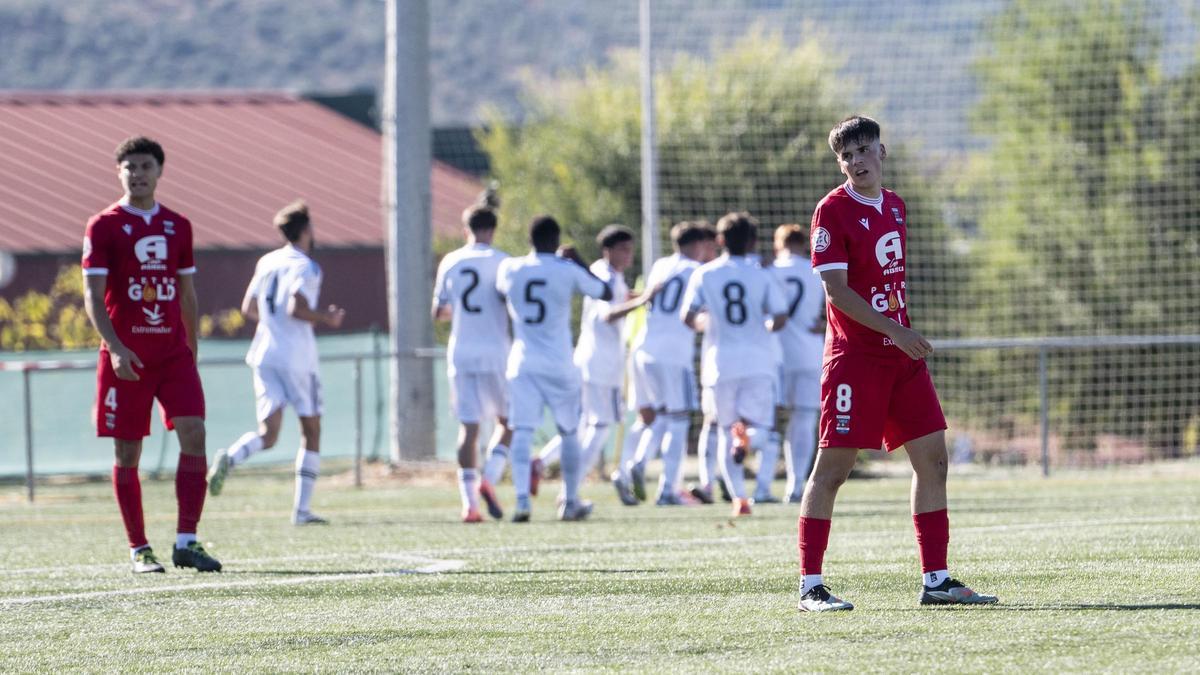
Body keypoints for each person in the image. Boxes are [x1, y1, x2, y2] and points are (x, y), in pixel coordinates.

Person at [797, 115, 998, 611]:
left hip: (900, 358)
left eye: (863, 150)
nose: (856, 161)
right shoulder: (832, 210)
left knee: (933, 460)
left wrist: (899, 333)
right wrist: (896, 331)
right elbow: (837, 291)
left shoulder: (896, 206)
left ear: (881, 152)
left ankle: (937, 579)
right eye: (846, 155)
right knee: (834, 470)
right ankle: (810, 586)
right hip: (855, 359)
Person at [82, 136, 221, 573]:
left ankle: (187, 540)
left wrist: (191, 347)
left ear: (160, 171)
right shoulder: (103, 225)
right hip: (127, 358)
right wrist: (115, 348)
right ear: (118, 173)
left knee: (195, 432)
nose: (138, 173)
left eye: (145, 166)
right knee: (128, 453)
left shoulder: (178, 225)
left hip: (173, 356)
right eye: (130, 167)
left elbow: (187, 292)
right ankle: (139, 548)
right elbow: (92, 295)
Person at [206, 201, 344, 525]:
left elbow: (248, 306)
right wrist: (327, 317)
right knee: (311, 429)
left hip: (265, 353)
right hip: (297, 357)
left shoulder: (267, 261)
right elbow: (297, 307)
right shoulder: (307, 266)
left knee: (268, 434)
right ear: (306, 230)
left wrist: (272, 323)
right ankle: (302, 511)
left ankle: (231, 456)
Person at [496, 215, 612, 521]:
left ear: (530, 239)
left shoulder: (510, 268)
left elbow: (499, 291)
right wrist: (579, 261)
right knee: (570, 431)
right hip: (560, 362)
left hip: (522, 362)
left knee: (522, 430)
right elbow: (606, 292)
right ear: (555, 238)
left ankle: (522, 500)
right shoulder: (566, 269)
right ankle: (570, 501)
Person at [682, 212, 788, 518]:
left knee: (725, 431)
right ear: (753, 242)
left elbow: (687, 317)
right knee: (763, 432)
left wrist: (707, 323)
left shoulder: (705, 273)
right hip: (758, 361)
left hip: (720, 364)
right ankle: (749, 442)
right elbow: (780, 317)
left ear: (719, 240)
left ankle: (739, 499)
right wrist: (763, 327)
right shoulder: (761, 274)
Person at [536, 225, 655, 492]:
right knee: (599, 429)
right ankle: (572, 490)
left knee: (580, 426)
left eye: (630, 249)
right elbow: (608, 314)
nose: (628, 255)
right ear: (607, 251)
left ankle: (540, 463)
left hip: (592, 362)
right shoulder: (605, 274)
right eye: (623, 249)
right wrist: (644, 299)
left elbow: (620, 296)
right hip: (601, 365)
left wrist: (641, 297)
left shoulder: (609, 275)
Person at [615, 221, 717, 506]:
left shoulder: (661, 265)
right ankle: (667, 489)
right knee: (679, 421)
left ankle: (637, 462)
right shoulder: (698, 272)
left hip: (644, 349)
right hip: (674, 355)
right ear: (698, 245)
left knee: (658, 417)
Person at [430, 204, 513, 522]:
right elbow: (510, 303)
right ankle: (488, 479)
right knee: (509, 422)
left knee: (469, 427)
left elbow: (439, 312)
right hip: (495, 351)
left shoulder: (451, 261)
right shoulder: (503, 261)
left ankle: (469, 505)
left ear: (466, 230)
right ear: (492, 230)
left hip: (461, 351)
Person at [768, 224, 826, 503]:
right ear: (805, 245)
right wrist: (823, 325)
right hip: (808, 354)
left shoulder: (768, 271)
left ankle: (760, 486)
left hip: (773, 355)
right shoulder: (817, 271)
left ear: (778, 244)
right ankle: (795, 484)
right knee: (803, 419)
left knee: (766, 421)